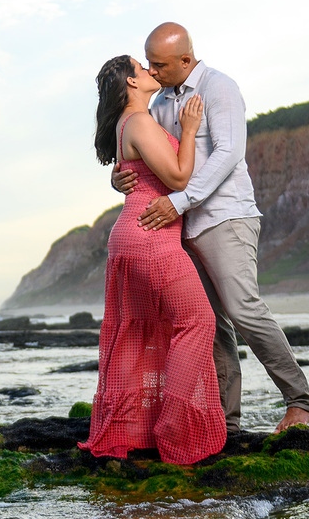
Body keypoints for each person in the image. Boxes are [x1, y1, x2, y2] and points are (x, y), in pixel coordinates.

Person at [113, 23, 309, 434]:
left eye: (160, 64)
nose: (153, 70)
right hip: (181, 227)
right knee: (209, 324)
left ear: (186, 60)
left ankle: (302, 402)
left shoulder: (219, 87)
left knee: (243, 309)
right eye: (148, 63)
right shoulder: (160, 105)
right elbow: (151, 157)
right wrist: (119, 178)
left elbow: (228, 154)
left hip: (226, 217)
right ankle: (228, 423)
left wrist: (180, 202)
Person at [79, 55, 227, 465]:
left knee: (145, 331)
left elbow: (133, 171)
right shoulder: (141, 121)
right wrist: (193, 129)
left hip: (133, 235)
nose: (149, 70)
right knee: (198, 322)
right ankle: (174, 429)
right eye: (141, 68)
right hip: (151, 238)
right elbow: (178, 179)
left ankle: (140, 429)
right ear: (131, 81)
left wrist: (116, 178)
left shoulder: (130, 122)